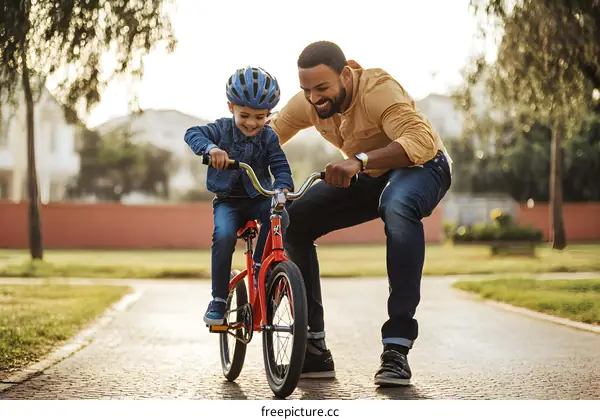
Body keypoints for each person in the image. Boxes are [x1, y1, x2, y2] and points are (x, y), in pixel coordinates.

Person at [268, 41, 452, 386]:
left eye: (323, 88)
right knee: (293, 220)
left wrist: (359, 161)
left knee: (395, 206)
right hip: (369, 174)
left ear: (346, 76)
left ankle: (396, 349)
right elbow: (267, 137)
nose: (315, 98)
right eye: (307, 90)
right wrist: (226, 158)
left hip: (423, 167)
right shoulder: (308, 102)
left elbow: (420, 141)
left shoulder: (378, 89)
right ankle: (314, 346)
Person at [184, 66, 294, 326]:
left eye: (260, 117)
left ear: (269, 115)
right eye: (244, 115)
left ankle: (260, 269)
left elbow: (280, 166)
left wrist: (283, 187)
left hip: (259, 197)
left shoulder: (269, 137)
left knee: (281, 217)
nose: (252, 123)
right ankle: (219, 299)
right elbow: (192, 133)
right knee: (223, 236)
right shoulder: (221, 130)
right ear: (230, 107)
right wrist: (211, 149)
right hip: (228, 202)